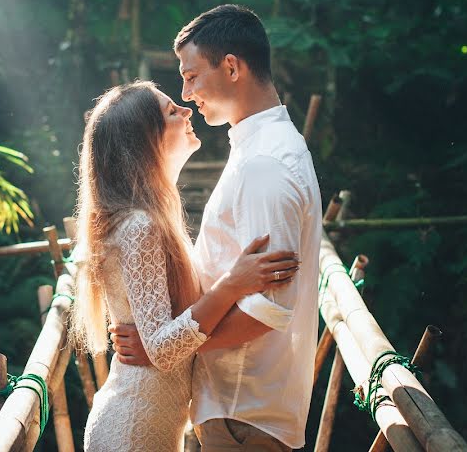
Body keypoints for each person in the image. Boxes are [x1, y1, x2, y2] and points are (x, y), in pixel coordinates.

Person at [110, 4, 322, 451]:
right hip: (231, 408)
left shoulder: (265, 163)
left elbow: (268, 309)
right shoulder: (255, 150)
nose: (186, 94)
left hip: (244, 412)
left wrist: (164, 349)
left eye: (190, 76)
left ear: (231, 67)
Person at [70, 81, 301, 452]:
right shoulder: (140, 226)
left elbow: (157, 338)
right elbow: (162, 349)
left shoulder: (151, 219)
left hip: (148, 425)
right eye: (171, 111)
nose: (187, 110)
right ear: (145, 139)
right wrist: (233, 284)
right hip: (133, 430)